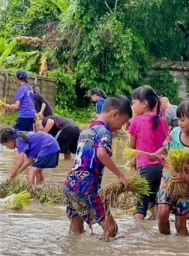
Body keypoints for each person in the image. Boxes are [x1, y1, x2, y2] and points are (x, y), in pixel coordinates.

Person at [64, 95, 132, 238]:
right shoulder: (104, 132)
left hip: (71, 183)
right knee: (111, 228)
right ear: (115, 114)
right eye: (123, 122)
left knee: (76, 230)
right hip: (86, 186)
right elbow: (101, 153)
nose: (121, 127)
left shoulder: (88, 129)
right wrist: (121, 176)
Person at [152, 98, 189, 236]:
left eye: (183, 120)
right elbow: (165, 148)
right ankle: (164, 246)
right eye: (178, 119)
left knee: (179, 224)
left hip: (186, 189)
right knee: (162, 214)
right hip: (167, 182)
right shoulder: (175, 132)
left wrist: (186, 176)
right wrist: (155, 154)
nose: (179, 123)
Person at [129, 86, 169, 221]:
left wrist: (133, 160)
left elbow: (131, 147)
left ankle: (137, 234)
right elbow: (166, 144)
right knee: (155, 201)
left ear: (144, 103)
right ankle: (157, 236)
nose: (132, 106)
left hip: (145, 167)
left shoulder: (136, 121)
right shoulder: (162, 121)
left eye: (134, 102)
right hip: (163, 168)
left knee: (140, 207)